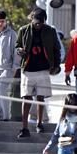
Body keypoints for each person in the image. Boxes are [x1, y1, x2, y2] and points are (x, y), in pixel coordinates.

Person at [16, 9, 63, 138]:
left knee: (41, 98)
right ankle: (24, 127)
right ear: (32, 19)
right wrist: (19, 50)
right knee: (26, 98)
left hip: (43, 69)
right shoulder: (23, 30)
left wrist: (56, 65)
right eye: (36, 22)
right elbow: (17, 45)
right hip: (27, 69)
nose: (38, 25)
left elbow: (56, 49)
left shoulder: (50, 31)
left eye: (41, 22)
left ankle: (39, 123)